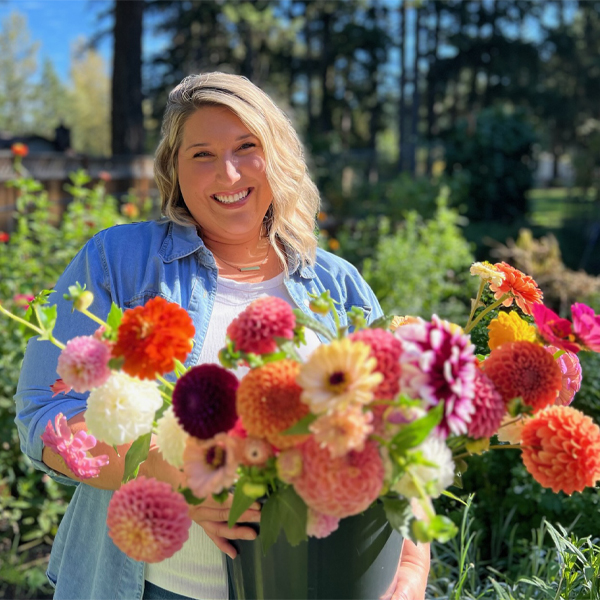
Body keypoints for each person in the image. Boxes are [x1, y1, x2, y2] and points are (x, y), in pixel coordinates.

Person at [15, 72, 430, 600]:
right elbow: (42, 418)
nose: (227, 172)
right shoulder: (117, 262)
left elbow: (400, 438)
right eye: (202, 154)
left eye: (246, 147)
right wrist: (164, 474)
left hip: (308, 582)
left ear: (276, 154)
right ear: (175, 170)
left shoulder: (339, 287)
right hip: (147, 587)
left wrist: (412, 565)